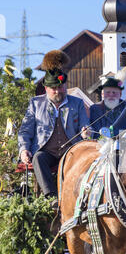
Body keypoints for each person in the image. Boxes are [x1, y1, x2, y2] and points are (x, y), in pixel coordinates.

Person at [18, 50, 90, 206]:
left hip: (70, 150)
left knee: (80, 160)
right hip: (46, 150)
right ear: (46, 88)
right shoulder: (36, 103)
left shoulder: (76, 103)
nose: (58, 91)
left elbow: (85, 124)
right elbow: (25, 131)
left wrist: (85, 132)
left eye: (61, 87)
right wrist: (24, 149)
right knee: (38, 158)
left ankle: (77, 198)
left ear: (65, 85)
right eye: (54, 89)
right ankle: (51, 198)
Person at [89, 69, 126, 139]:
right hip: (101, 144)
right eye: (108, 92)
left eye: (114, 92)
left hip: (123, 143)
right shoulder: (95, 109)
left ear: (120, 94)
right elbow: (95, 132)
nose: (111, 95)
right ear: (102, 94)